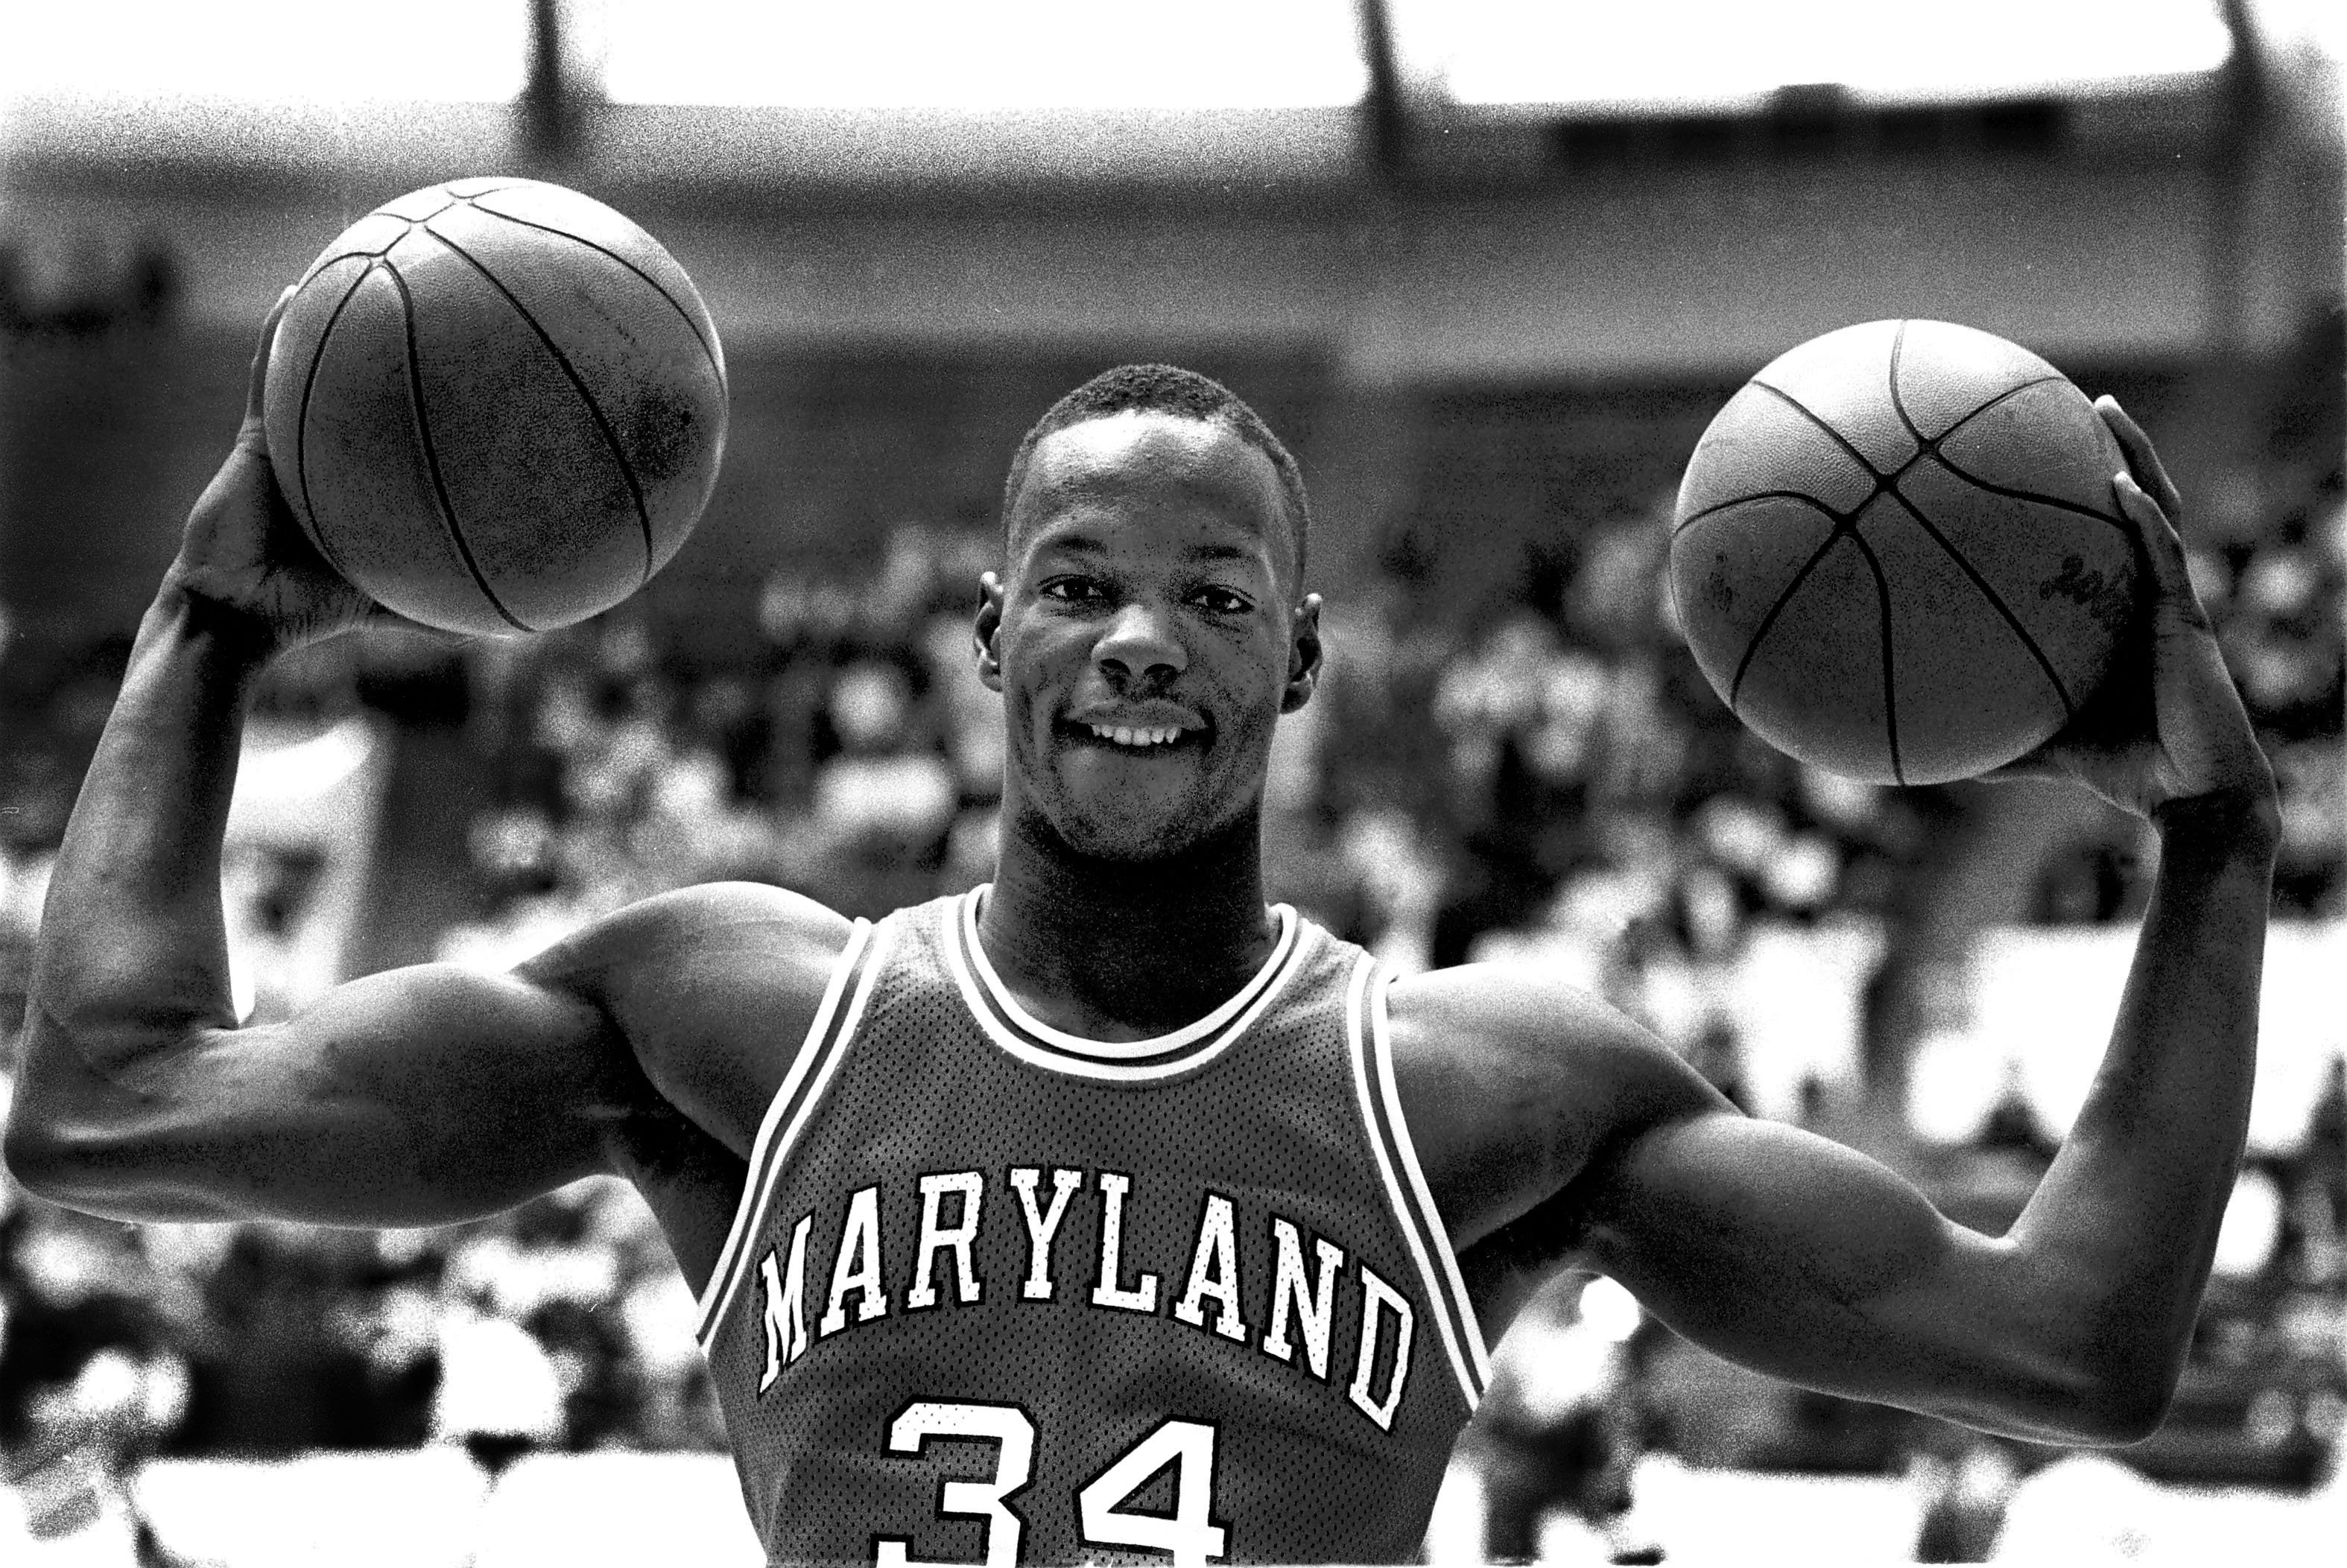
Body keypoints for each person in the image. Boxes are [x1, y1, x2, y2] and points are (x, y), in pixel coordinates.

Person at [4, 293, 2278, 1564]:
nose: (1136, 643)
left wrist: (2214, 853)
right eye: (1080, 584)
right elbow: (105, 1106)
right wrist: (210, 619)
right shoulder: (727, 1013)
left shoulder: (1485, 1092)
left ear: (1301, 661)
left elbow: (2076, 1342)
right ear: (988, 633)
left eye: (1211, 596)